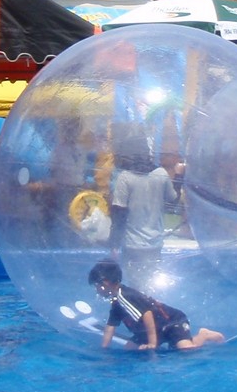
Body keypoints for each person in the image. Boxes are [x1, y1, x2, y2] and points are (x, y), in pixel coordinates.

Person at [89, 261, 223, 352]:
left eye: (97, 285)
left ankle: (203, 335)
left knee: (186, 349)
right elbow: (110, 326)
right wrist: (104, 348)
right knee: (129, 349)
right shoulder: (116, 301)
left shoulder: (124, 297)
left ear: (106, 283)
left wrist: (152, 344)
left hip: (171, 322)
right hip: (152, 328)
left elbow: (147, 314)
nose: (96, 290)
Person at [108, 147, 182, 286]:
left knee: (134, 284)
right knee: (150, 284)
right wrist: (179, 176)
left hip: (132, 244)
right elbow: (173, 201)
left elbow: (119, 213)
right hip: (155, 243)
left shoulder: (125, 177)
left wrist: (114, 243)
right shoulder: (161, 174)